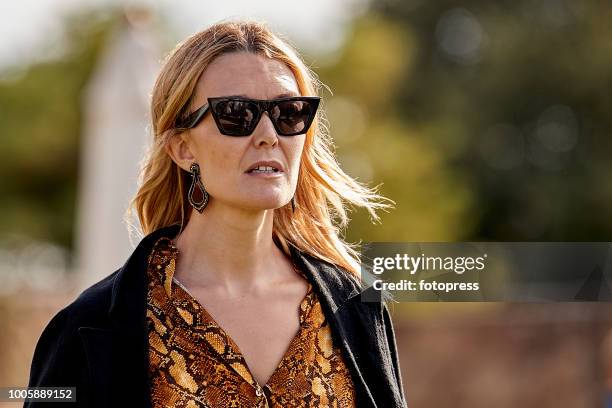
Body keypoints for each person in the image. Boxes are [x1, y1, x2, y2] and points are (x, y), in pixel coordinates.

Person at [25, 20, 406, 408]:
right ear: (182, 148)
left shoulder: (355, 307)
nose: (268, 135)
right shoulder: (88, 328)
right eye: (236, 114)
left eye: (288, 112)